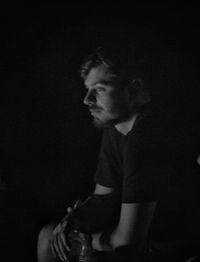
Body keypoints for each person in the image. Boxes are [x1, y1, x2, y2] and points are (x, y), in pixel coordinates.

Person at [37, 42, 200, 262]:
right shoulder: (116, 128)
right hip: (144, 244)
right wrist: (74, 221)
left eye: (100, 89)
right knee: (50, 235)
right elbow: (103, 198)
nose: (87, 100)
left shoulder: (146, 138)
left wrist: (86, 239)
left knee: (86, 257)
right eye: (87, 89)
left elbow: (128, 243)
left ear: (133, 89)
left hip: (169, 249)